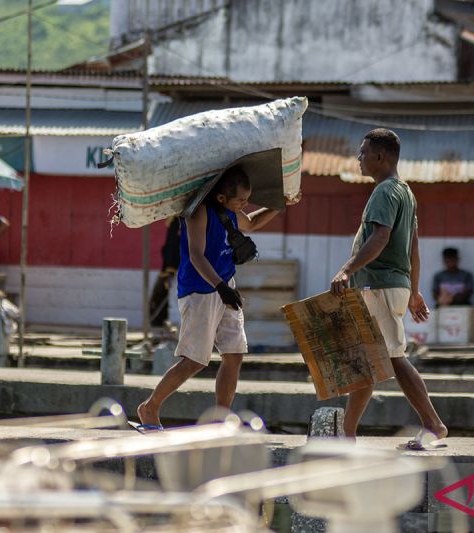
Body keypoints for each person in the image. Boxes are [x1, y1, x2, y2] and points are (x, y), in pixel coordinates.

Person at [137, 166, 296, 430]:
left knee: (233, 354)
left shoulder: (232, 211)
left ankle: (221, 420)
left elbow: (252, 223)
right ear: (222, 198)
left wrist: (279, 205)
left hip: (225, 286)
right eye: (241, 201)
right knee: (195, 360)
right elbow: (196, 255)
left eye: (247, 200)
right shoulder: (198, 211)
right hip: (200, 291)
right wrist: (221, 287)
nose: (244, 205)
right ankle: (149, 407)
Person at [330, 128, 448, 449]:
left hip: (379, 285)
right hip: (391, 286)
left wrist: (346, 269)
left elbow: (380, 239)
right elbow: (414, 249)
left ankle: (433, 425)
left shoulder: (384, 192)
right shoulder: (405, 193)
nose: (359, 158)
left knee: (394, 358)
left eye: (363, 152)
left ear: (380, 156)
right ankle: (348, 435)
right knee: (367, 363)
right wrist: (413, 291)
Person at [149, 216, 181, 327]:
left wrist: (170, 268)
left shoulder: (179, 222)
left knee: (172, 301)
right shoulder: (175, 223)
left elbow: (173, 248)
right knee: (161, 298)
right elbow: (169, 248)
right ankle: (160, 325)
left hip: (174, 269)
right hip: (170, 269)